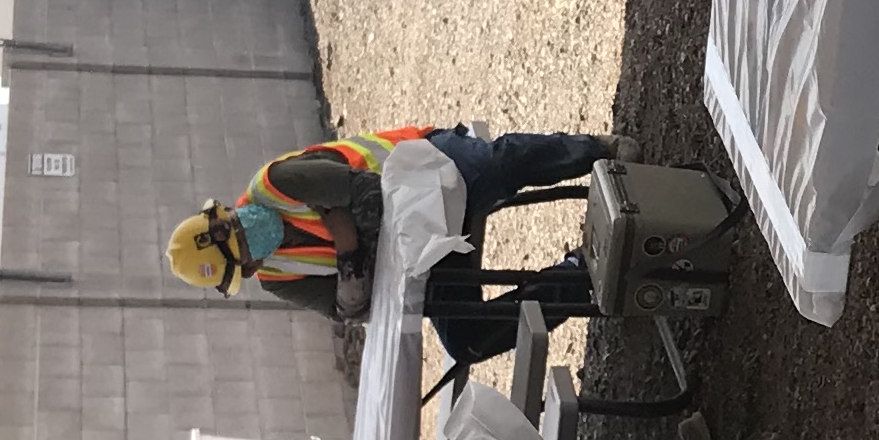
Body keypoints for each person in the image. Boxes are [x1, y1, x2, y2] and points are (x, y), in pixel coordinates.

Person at [164, 123, 608, 366]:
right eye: (244, 262)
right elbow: (355, 311)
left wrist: (353, 261)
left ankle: (597, 152)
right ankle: (577, 278)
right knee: (468, 340)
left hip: (426, 166)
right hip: (422, 256)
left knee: (495, 167)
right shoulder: (278, 277)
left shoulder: (277, 183)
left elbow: (373, 197)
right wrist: (347, 241)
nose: (251, 251)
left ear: (226, 220)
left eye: (239, 236)